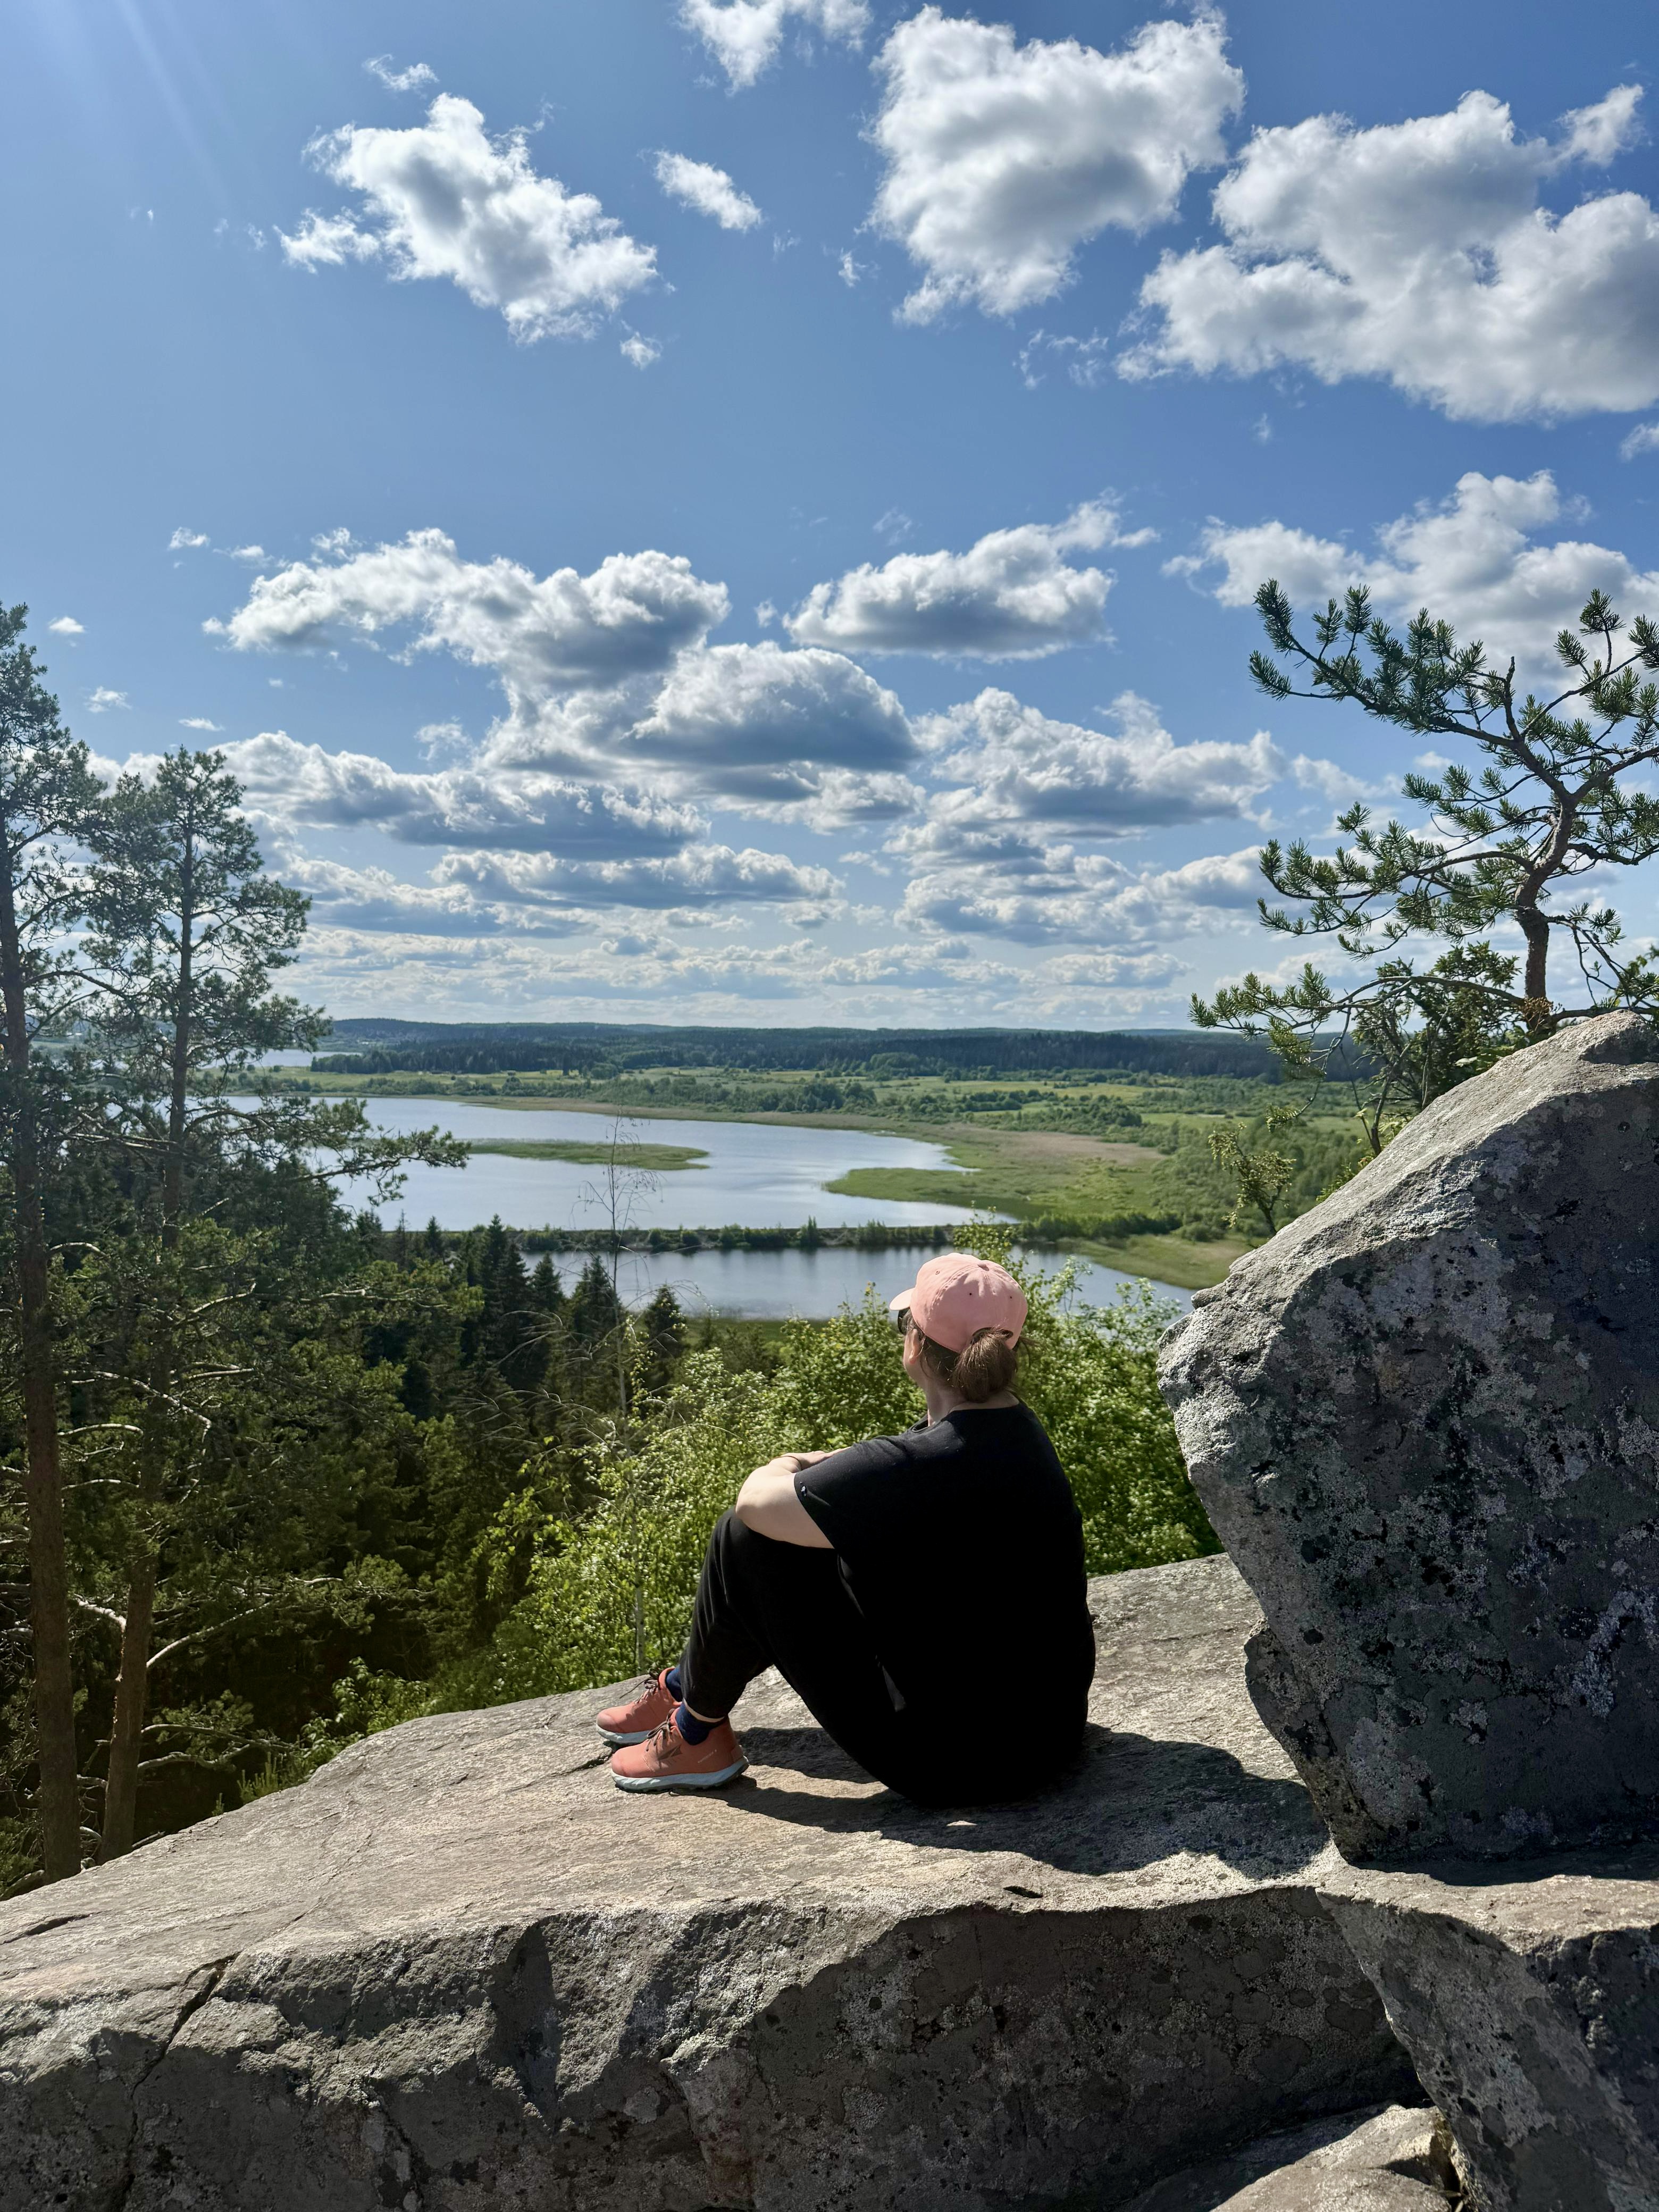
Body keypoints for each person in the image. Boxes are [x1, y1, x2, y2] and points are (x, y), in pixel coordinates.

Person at [596, 1252, 1096, 1804]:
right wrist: (847, 1472)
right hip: (1051, 1739)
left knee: (746, 1539)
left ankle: (695, 1731)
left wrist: (789, 1459)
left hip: (955, 1766)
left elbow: (754, 1502)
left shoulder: (912, 1466)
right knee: (822, 1528)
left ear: (914, 1348)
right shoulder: (1023, 1436)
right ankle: (687, 1685)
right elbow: (901, 1482)